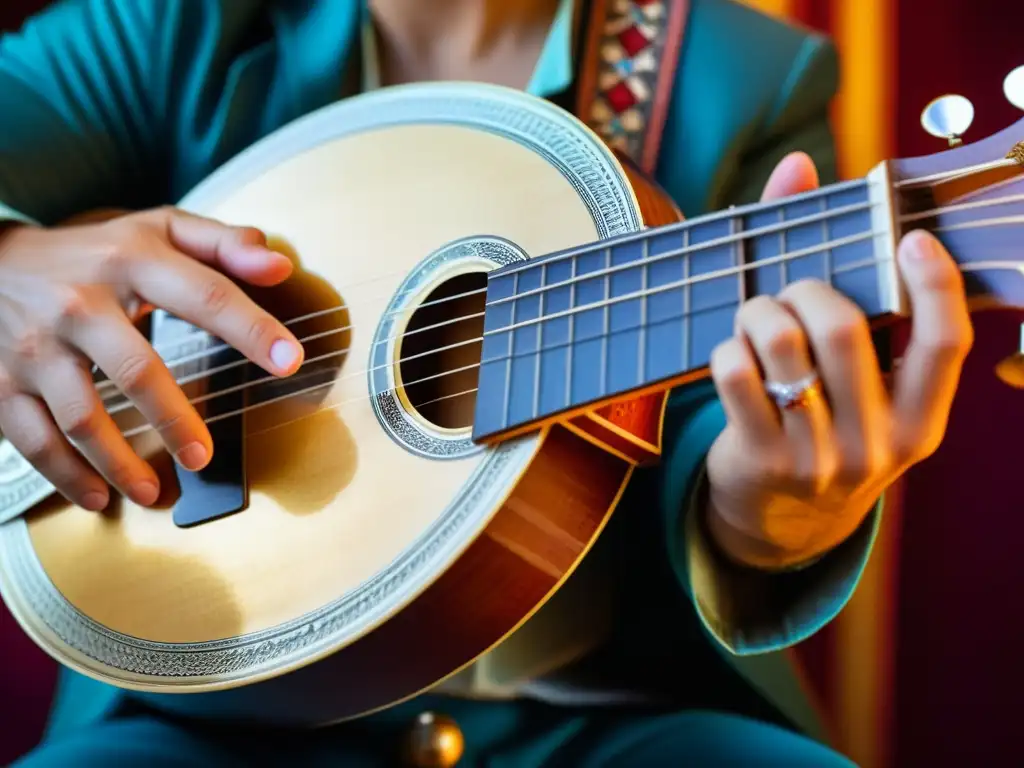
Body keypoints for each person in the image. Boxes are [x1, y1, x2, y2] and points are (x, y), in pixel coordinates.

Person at [0, 0, 973, 765]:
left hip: (609, 720)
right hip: (207, 717)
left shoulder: (741, 77)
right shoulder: (173, 27)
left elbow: (717, 435)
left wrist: (771, 516)